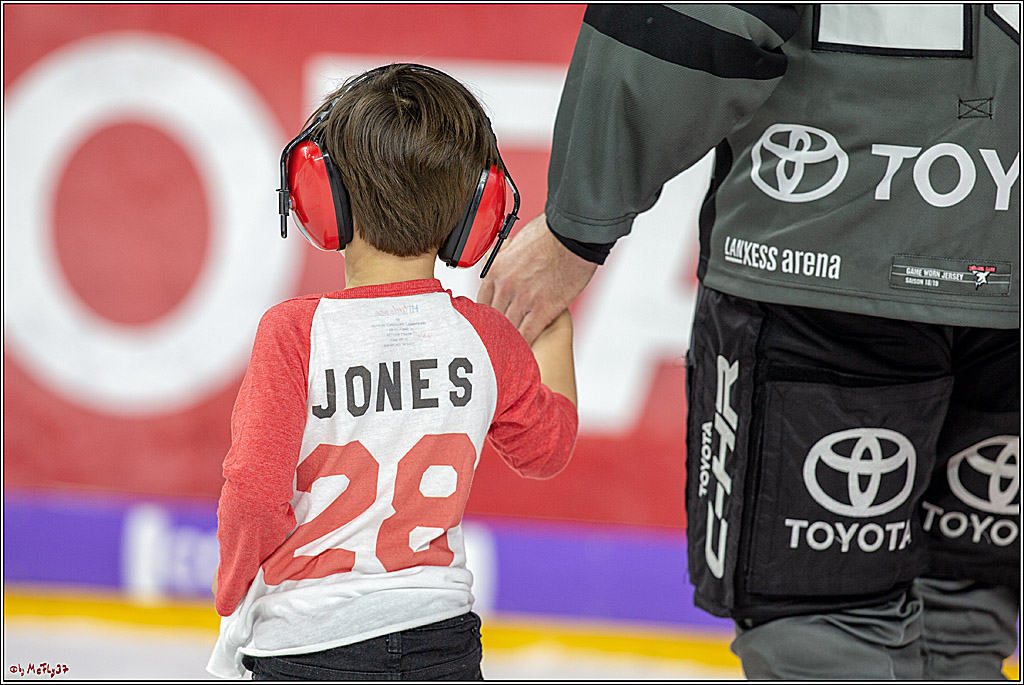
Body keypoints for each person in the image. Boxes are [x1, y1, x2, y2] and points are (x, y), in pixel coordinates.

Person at [478, 4, 1019, 680]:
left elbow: (697, 17)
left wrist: (576, 224)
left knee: (821, 626)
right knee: (962, 612)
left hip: (826, 256)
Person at [206, 63, 578, 680]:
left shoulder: (294, 333)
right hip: (443, 642)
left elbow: (253, 491)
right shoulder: (487, 338)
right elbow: (549, 449)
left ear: (320, 194)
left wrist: (232, 591)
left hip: (306, 642)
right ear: (474, 213)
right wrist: (555, 329)